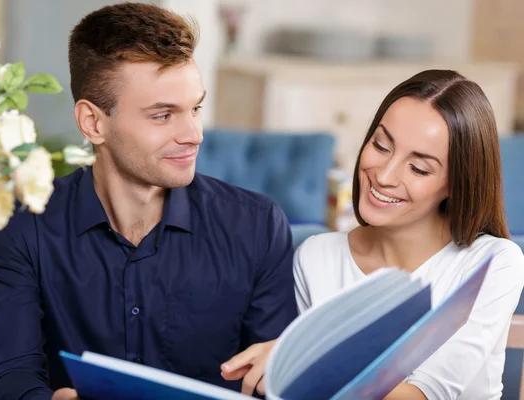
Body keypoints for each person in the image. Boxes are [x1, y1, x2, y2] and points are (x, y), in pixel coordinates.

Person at [0, 3, 298, 399]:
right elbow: (11, 378)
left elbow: (277, 377)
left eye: (195, 108)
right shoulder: (21, 227)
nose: (194, 134)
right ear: (93, 123)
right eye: (163, 116)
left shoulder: (257, 226)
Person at [221, 69, 524, 399]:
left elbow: (430, 393)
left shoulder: (493, 262)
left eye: (419, 168)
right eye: (381, 146)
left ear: (455, 183)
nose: (384, 175)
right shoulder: (317, 256)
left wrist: (308, 364)